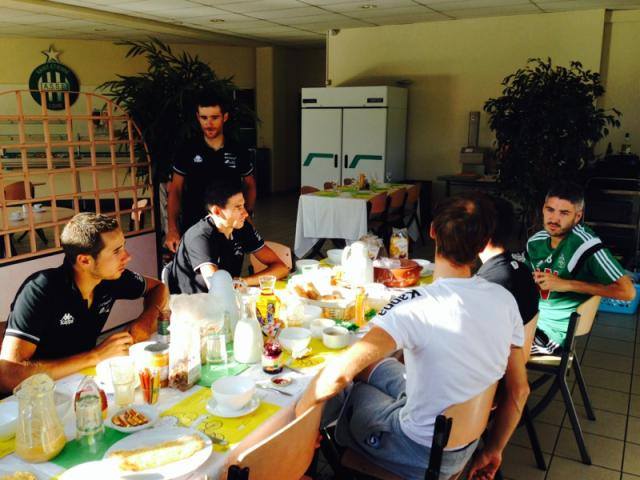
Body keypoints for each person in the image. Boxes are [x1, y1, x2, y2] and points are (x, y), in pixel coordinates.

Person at [296, 194, 526, 479]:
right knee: (372, 368)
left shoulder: (415, 304)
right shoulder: (504, 299)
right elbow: (519, 391)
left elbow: (338, 377)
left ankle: (307, 458)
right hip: (464, 442)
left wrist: (298, 426)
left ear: (432, 231)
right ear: (483, 244)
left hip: (415, 450)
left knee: (348, 389)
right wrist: (493, 450)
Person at [0, 213, 168, 393]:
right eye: (116, 251)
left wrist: (145, 321)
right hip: (34, 396)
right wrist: (96, 355)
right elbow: (9, 375)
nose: (127, 256)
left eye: (123, 246)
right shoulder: (42, 289)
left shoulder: (111, 278)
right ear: (85, 260)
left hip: (79, 382)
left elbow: (158, 288)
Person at [526, 182, 636, 355]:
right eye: (550, 210)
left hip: (552, 336)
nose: (554, 219)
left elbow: (628, 292)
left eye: (564, 213)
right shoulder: (535, 242)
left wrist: (568, 284)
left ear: (577, 217)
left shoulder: (585, 244)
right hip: (529, 320)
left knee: (491, 349)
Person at [470, 195, 536, 479]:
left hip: (487, 388)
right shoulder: (520, 268)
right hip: (515, 365)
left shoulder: (489, 287)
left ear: (479, 234)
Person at [165, 92, 257, 252]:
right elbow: (175, 189)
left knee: (231, 272)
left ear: (225, 117)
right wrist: (172, 229)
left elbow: (250, 185)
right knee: (199, 274)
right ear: (198, 117)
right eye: (204, 117)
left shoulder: (238, 149)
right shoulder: (187, 149)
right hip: (194, 224)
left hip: (229, 225)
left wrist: (246, 214)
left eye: (214, 117)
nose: (209, 123)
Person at [167, 182, 288, 293]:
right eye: (238, 207)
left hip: (227, 297)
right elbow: (217, 287)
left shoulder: (242, 227)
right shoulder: (200, 238)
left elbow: (281, 268)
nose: (245, 213)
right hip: (195, 307)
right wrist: (237, 284)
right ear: (217, 211)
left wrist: (244, 281)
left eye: (244, 205)